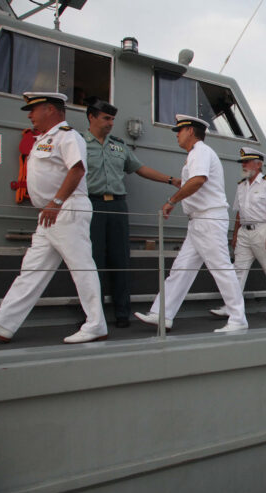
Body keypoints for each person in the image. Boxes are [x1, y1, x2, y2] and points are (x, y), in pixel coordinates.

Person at [0, 92, 107, 344]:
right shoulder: (42, 139)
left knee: (81, 267)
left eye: (34, 110)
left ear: (50, 110)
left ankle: (96, 324)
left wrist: (56, 202)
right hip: (50, 214)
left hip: (65, 209)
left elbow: (77, 169)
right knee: (32, 270)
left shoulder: (68, 136)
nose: (31, 116)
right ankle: (3, 323)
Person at [134, 115, 247, 332]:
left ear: (191, 132)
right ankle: (162, 314)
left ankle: (238, 318)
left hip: (208, 219)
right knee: (181, 269)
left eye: (180, 130)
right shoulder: (195, 154)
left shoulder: (200, 152)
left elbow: (198, 180)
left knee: (221, 268)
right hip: (199, 221)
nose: (177, 134)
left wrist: (171, 201)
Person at [83, 98, 181, 328]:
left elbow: (140, 168)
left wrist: (170, 179)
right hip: (90, 205)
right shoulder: (78, 142)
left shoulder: (118, 145)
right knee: (90, 262)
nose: (111, 123)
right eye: (106, 118)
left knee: (120, 260)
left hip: (117, 207)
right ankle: (92, 316)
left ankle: (122, 313)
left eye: (112, 119)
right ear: (91, 117)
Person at [210, 147, 266, 320]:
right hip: (244, 232)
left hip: (263, 230)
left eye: (246, 162)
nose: (243, 165)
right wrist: (235, 235)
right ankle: (231, 307)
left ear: (258, 165)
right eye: (242, 162)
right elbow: (239, 212)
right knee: (237, 272)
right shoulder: (241, 185)